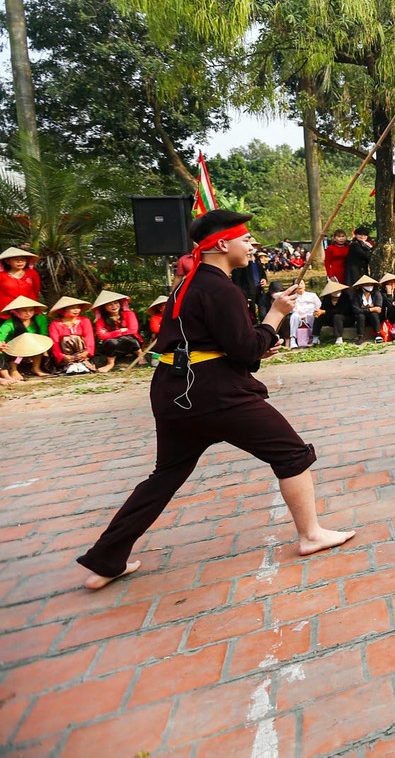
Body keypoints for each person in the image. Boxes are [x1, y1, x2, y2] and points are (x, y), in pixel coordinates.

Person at [76, 210, 353, 590]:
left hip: (174, 390)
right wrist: (274, 315)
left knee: (166, 475)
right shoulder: (222, 288)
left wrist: (259, 341)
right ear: (223, 244)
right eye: (246, 238)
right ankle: (311, 535)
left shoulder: (188, 285)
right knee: (291, 454)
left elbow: (230, 346)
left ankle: (106, 559)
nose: (252, 245)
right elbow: (243, 350)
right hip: (215, 393)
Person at [0, 295, 49, 381]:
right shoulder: (10, 323)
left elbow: (44, 334)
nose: (28, 313)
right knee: (20, 343)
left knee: (40, 343)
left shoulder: (40, 319)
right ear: (15, 311)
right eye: (24, 310)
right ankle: (13, 369)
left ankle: (35, 367)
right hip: (15, 351)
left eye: (31, 310)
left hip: (35, 347)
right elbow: (1, 334)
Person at [93, 290, 143, 372]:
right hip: (114, 344)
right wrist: (120, 331)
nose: (114, 306)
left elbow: (133, 330)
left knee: (129, 338)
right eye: (110, 304)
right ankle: (110, 363)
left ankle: (141, 356)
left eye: (116, 303)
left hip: (131, 341)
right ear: (104, 307)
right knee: (110, 342)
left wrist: (109, 333)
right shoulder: (101, 320)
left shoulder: (129, 313)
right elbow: (101, 336)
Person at [47, 297, 98, 374]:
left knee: (76, 338)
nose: (76, 310)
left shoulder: (84, 321)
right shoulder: (55, 324)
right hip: (65, 354)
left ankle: (83, 363)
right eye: (72, 308)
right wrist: (62, 356)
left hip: (82, 353)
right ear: (63, 310)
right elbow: (55, 342)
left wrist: (87, 352)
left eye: (78, 308)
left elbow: (89, 337)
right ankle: (69, 365)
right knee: (66, 339)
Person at [0, 246, 42, 318]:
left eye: (22, 259)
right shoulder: (1, 275)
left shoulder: (32, 273)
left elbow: (36, 289)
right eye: (16, 259)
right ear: (7, 261)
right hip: (7, 309)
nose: (20, 261)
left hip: (29, 309)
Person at [313, 280, 352, 345]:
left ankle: (339, 338)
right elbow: (323, 308)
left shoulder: (345, 297)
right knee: (319, 315)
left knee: (337, 316)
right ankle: (315, 337)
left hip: (345, 319)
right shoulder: (327, 298)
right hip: (331, 319)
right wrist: (318, 312)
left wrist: (324, 312)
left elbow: (341, 310)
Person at [350, 275, 383, 344]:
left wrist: (366, 309)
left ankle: (378, 334)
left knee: (374, 314)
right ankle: (360, 336)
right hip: (361, 317)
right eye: (367, 285)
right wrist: (370, 309)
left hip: (374, 317)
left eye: (371, 284)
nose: (370, 286)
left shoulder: (377, 293)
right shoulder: (356, 295)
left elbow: (378, 308)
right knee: (360, 316)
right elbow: (356, 310)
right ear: (362, 286)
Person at [288, 283, 321, 348]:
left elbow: (319, 306)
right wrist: (301, 316)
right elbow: (292, 309)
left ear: (305, 285)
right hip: (298, 317)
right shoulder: (292, 297)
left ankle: (315, 338)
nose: (300, 286)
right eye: (298, 284)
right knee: (294, 316)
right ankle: (292, 340)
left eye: (301, 284)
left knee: (313, 315)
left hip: (310, 316)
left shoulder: (312, 295)